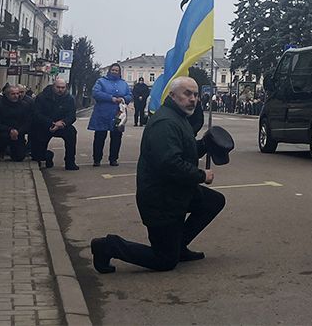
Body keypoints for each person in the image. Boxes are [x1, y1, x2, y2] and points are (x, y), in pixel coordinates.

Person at [90, 76, 225, 273]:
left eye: (195, 94)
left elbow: (182, 151)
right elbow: (169, 163)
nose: (193, 99)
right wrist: (201, 175)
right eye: (187, 94)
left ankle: (178, 246)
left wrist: (204, 145)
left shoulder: (178, 118)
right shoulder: (165, 122)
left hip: (177, 193)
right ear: (172, 95)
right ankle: (108, 246)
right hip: (160, 200)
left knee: (213, 202)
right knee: (164, 261)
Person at [31, 78, 79, 171]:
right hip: (45, 125)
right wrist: (51, 123)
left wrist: (63, 123)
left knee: (72, 133)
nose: (60, 90)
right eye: (58, 87)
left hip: (61, 125)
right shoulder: (42, 97)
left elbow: (72, 115)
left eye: (62, 87)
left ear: (66, 87)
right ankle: (46, 156)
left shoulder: (69, 99)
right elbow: (37, 114)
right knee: (37, 153)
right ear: (53, 86)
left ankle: (70, 162)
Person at [89, 64, 131, 167]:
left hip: (118, 114)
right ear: (109, 71)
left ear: (120, 72)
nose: (114, 72)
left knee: (117, 137)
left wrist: (123, 98)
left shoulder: (123, 83)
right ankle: (97, 159)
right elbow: (96, 93)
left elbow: (130, 95)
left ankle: (113, 159)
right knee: (100, 136)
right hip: (103, 113)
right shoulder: (101, 81)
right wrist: (110, 98)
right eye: (113, 70)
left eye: (117, 70)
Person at [0, 84, 33, 162]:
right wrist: (10, 130)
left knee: (19, 157)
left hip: (19, 132)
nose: (16, 96)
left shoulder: (24, 105)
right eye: (13, 94)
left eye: (17, 93)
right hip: (4, 132)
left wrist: (18, 131)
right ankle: (2, 150)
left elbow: (27, 122)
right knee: (3, 137)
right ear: (7, 95)